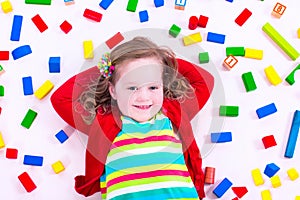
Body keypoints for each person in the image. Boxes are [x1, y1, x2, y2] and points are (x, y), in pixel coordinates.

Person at [50, 36, 214, 199]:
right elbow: (60, 98)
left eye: (153, 86)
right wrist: (111, 69)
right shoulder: (104, 123)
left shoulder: (173, 112)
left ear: (162, 85)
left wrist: (160, 61)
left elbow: (205, 80)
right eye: (132, 87)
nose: (143, 97)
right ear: (113, 91)